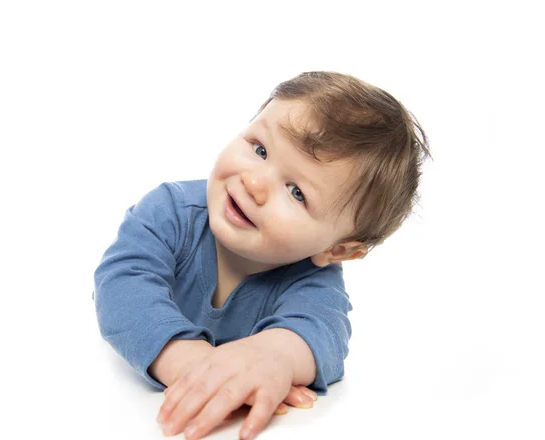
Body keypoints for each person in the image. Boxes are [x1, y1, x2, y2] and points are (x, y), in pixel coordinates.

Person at [93, 71, 430, 440]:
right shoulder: (170, 212)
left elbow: (325, 334)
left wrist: (276, 357)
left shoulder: (311, 281)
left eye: (296, 192)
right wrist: (188, 361)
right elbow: (121, 284)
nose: (254, 183)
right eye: (260, 149)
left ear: (337, 250)